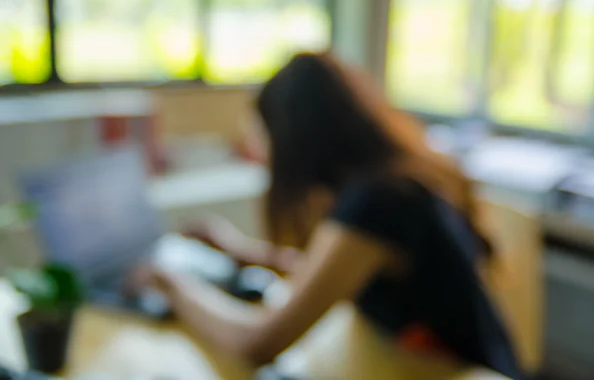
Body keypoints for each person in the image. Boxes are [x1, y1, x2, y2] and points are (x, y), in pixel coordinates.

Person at [146, 52, 521, 379]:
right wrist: (238, 250)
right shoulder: (388, 182)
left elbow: (257, 344)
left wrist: (172, 285)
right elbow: (326, 274)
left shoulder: (378, 203)